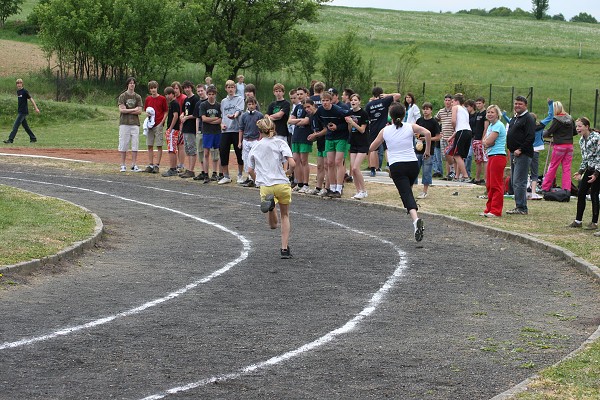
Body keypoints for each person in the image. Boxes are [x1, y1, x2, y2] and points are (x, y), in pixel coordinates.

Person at [369, 103, 431, 242]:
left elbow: (372, 147)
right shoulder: (410, 127)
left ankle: (416, 220)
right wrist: (427, 151)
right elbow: (427, 133)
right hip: (413, 164)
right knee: (407, 191)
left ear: (390, 116)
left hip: (397, 166)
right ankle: (410, 207)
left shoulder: (385, 130)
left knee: (406, 194)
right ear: (404, 115)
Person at [247, 117, 296, 259]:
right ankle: (284, 249)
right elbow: (292, 164)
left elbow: (250, 170)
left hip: (266, 185)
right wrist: (288, 173)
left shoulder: (255, 146)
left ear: (259, 131)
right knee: (285, 215)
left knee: (273, 225)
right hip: (281, 183)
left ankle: (270, 206)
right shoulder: (281, 143)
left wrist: (258, 181)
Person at [314, 92, 350, 198]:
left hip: (341, 137)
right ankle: (332, 187)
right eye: (323, 101)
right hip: (329, 137)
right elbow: (318, 119)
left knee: (338, 162)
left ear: (331, 101)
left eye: (327, 101)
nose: (324, 103)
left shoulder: (338, 110)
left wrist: (337, 127)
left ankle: (339, 188)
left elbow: (347, 120)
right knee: (329, 163)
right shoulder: (320, 110)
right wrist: (325, 127)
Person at [567, 117, 600, 230]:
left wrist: (596, 173)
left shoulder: (596, 138)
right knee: (581, 192)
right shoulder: (581, 140)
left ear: (587, 126)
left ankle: (594, 223)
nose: (577, 128)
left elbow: (599, 157)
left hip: (598, 169)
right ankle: (578, 220)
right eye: (576, 126)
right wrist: (581, 171)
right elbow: (585, 158)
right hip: (590, 168)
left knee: (594, 194)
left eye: (580, 126)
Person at [506, 95, 536, 215]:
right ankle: (519, 205)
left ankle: (522, 207)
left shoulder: (528, 119)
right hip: (514, 153)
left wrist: (521, 149)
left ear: (525, 106)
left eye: (520, 104)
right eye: (516, 103)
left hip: (523, 154)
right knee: (514, 181)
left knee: (519, 181)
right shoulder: (515, 118)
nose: (517, 106)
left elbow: (530, 137)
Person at [541, 101, 577, 194]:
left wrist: (541, 133)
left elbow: (549, 131)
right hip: (569, 146)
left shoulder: (557, 119)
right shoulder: (570, 118)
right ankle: (566, 189)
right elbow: (575, 132)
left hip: (559, 146)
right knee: (567, 168)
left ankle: (545, 187)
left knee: (553, 166)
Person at [365, 87, 401, 177]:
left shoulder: (369, 105)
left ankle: (373, 170)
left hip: (373, 127)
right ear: (381, 94)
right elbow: (398, 95)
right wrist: (387, 95)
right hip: (384, 127)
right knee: (387, 148)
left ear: (373, 95)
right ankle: (389, 166)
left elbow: (367, 117)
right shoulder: (384, 101)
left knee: (373, 149)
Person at [480, 105, 507, 218]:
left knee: (496, 184)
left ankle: (496, 210)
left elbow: (488, 141)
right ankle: (489, 209)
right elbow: (484, 141)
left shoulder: (498, 125)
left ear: (497, 114)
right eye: (488, 112)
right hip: (491, 156)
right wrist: (486, 142)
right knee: (489, 184)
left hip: (498, 156)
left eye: (492, 112)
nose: (490, 114)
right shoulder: (491, 126)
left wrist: (487, 142)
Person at [219, 80, 245, 184]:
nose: (230, 89)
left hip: (236, 130)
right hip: (225, 131)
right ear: (226, 88)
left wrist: (234, 116)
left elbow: (239, 111)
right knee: (223, 152)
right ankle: (226, 176)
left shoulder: (239, 99)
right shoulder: (223, 101)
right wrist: (221, 124)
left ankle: (240, 175)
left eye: (232, 87)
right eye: (228, 87)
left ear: (235, 88)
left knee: (239, 153)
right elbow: (222, 115)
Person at [528, 99, 554, 199]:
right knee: (534, 173)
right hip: (536, 150)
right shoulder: (540, 126)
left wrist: (504, 116)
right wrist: (550, 105)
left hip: (525, 150)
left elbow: (510, 121)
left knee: (524, 172)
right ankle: (533, 192)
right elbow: (550, 116)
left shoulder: (524, 127)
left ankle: (523, 190)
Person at [345, 93, 370, 199]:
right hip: (353, 142)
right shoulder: (349, 112)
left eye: (355, 100)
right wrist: (349, 124)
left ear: (359, 101)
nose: (353, 102)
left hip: (362, 142)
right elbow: (350, 130)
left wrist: (352, 122)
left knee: (356, 168)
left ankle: (364, 190)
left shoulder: (363, 113)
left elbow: (362, 130)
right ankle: (358, 191)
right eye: (352, 100)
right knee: (353, 169)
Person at [288, 87, 312, 193]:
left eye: (301, 94)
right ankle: (299, 182)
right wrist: (299, 121)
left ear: (306, 94)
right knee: (296, 160)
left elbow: (306, 121)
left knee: (304, 160)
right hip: (296, 136)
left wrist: (297, 121)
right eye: (297, 94)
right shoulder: (297, 107)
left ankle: (306, 184)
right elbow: (290, 120)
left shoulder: (308, 107)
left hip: (305, 136)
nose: (299, 96)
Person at [415, 102, 441, 199]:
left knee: (427, 171)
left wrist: (427, 139)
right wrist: (417, 136)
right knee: (414, 170)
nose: (425, 111)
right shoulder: (419, 120)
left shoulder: (434, 122)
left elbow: (438, 137)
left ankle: (425, 191)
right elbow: (415, 131)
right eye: (424, 109)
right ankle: (410, 188)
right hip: (418, 148)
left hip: (429, 150)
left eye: (427, 109)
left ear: (431, 110)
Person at [117, 77, 143, 172]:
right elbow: (122, 110)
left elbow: (140, 111)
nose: (132, 85)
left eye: (133, 83)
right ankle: (123, 164)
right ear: (127, 84)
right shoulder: (123, 96)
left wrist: (128, 110)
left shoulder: (138, 97)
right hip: (124, 123)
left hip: (135, 123)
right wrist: (133, 109)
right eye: (130, 83)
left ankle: (134, 164)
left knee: (135, 144)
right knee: (123, 143)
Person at [143, 80, 168, 174]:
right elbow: (146, 110)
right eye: (151, 88)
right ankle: (150, 164)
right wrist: (147, 116)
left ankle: (157, 165)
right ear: (149, 90)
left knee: (159, 145)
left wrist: (162, 122)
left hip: (158, 124)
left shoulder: (162, 99)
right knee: (149, 145)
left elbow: (166, 111)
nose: (153, 90)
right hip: (150, 125)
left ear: (157, 88)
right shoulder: (148, 99)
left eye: (155, 88)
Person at [4, 78, 40, 144]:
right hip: (20, 111)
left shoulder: (25, 91)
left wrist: (36, 108)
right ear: (16, 85)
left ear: (22, 84)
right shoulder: (18, 92)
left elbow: (31, 99)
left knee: (15, 126)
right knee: (26, 127)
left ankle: (10, 139)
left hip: (23, 112)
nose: (19, 85)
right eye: (17, 83)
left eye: (20, 83)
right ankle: (33, 138)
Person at [238, 96, 264, 187]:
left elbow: (262, 129)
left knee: (255, 159)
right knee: (246, 159)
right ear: (247, 105)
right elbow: (241, 129)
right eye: (249, 104)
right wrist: (240, 142)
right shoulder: (244, 115)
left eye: (253, 104)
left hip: (255, 140)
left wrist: (260, 139)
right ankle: (249, 177)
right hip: (246, 140)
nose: (251, 106)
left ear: (255, 105)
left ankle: (256, 178)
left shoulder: (259, 115)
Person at [199, 85, 222, 183]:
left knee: (216, 153)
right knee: (206, 153)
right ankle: (206, 174)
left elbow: (221, 119)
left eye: (213, 94)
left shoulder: (219, 105)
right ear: (207, 94)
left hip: (217, 132)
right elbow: (203, 119)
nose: (211, 96)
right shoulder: (203, 105)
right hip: (207, 132)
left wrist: (211, 120)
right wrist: (214, 119)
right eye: (209, 94)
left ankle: (215, 172)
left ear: (215, 95)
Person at [449, 93, 472, 182]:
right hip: (468, 132)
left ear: (457, 101)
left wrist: (454, 127)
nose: (451, 104)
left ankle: (465, 176)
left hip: (461, 131)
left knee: (456, 154)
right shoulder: (465, 110)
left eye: (452, 101)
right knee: (461, 156)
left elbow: (453, 120)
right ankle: (457, 176)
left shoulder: (456, 108)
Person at [179, 81, 199, 178]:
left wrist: (187, 117)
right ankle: (189, 169)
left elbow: (196, 114)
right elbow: (184, 111)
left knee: (192, 149)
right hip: (186, 127)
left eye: (188, 87)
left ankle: (191, 170)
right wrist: (182, 115)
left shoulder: (195, 99)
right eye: (185, 88)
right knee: (187, 149)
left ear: (191, 88)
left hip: (191, 127)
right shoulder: (186, 99)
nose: (187, 89)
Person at [161, 86, 181, 177]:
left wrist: (170, 128)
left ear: (173, 94)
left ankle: (173, 168)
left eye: (169, 94)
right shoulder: (172, 103)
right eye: (166, 94)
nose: (167, 96)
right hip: (172, 129)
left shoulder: (174, 103)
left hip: (173, 129)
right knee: (171, 149)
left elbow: (175, 116)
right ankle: (173, 167)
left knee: (172, 149)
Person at [470, 97, 489, 185]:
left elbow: (486, 127)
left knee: (484, 159)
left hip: (481, 140)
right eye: (477, 103)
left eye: (480, 103)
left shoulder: (485, 114)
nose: (478, 105)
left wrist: (483, 139)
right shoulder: (477, 114)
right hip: (475, 138)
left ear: (483, 103)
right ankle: (477, 178)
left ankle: (486, 179)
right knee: (478, 160)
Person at [435, 94, 455, 179]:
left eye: (449, 100)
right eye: (446, 100)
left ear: (452, 101)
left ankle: (454, 172)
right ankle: (448, 174)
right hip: (443, 136)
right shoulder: (441, 111)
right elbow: (435, 120)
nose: (447, 102)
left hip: (452, 136)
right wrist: (439, 131)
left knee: (452, 155)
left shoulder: (454, 111)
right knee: (446, 156)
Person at [193, 84, 209, 181]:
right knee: (200, 152)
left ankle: (214, 173)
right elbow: (197, 119)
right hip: (201, 130)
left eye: (201, 90)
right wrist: (197, 131)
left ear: (205, 90)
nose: (200, 93)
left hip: (210, 131)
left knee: (212, 152)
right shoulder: (198, 104)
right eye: (198, 91)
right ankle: (203, 171)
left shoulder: (210, 102)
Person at [172, 81, 187, 172]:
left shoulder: (183, 98)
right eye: (173, 88)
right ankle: (178, 164)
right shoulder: (172, 99)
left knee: (181, 144)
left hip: (182, 123)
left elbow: (185, 110)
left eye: (177, 88)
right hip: (175, 124)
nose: (175, 90)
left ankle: (181, 164)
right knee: (176, 144)